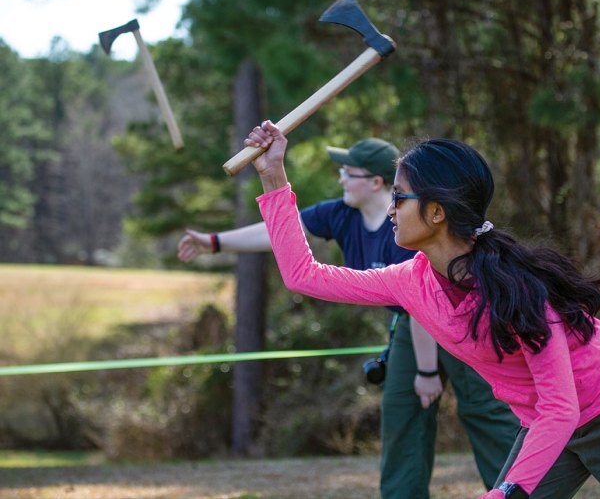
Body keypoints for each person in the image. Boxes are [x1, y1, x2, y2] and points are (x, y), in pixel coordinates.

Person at [245, 120, 600, 499]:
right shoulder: (409, 280)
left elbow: (563, 405)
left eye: (400, 198)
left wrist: (505, 493)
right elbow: (304, 274)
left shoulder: (516, 288)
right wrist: (273, 175)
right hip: (547, 422)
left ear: (437, 212)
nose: (390, 212)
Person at [179, 137, 519, 497]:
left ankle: (515, 489)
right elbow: (287, 240)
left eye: (348, 172)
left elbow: (429, 299)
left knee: (486, 413)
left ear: (377, 182)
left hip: (462, 318)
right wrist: (216, 239)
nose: (340, 178)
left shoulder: (411, 233)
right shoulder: (345, 214)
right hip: (410, 321)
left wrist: (428, 370)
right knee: (402, 413)